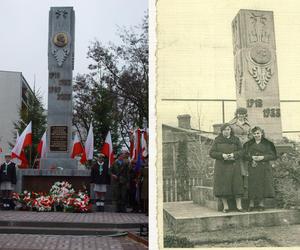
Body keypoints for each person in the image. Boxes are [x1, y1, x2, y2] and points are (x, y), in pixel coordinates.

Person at [209, 123, 244, 212]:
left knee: (237, 185)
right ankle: (226, 206)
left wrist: (234, 155)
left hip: (234, 166)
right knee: (223, 187)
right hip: (222, 167)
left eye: (228, 129)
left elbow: (241, 151)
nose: (226, 131)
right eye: (225, 130)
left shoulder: (236, 139)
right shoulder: (217, 140)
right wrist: (222, 155)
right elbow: (212, 153)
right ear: (221, 131)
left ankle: (239, 206)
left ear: (231, 131)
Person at [243, 126, 277, 211]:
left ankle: (261, 204)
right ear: (252, 134)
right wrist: (252, 158)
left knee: (263, 184)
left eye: (258, 133)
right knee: (252, 184)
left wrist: (263, 157)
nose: (256, 135)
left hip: (264, 166)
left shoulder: (268, 143)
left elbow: (273, 155)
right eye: (254, 133)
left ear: (261, 133)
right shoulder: (248, 144)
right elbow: (244, 155)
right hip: (253, 167)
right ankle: (251, 204)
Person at [228, 107, 252, 198]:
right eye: (239, 113)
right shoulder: (231, 124)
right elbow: (229, 135)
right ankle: (238, 188)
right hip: (236, 146)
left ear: (245, 114)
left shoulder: (248, 124)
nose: (241, 115)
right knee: (238, 166)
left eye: (243, 114)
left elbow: (250, 135)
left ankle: (245, 187)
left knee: (246, 166)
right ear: (236, 114)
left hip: (246, 146)